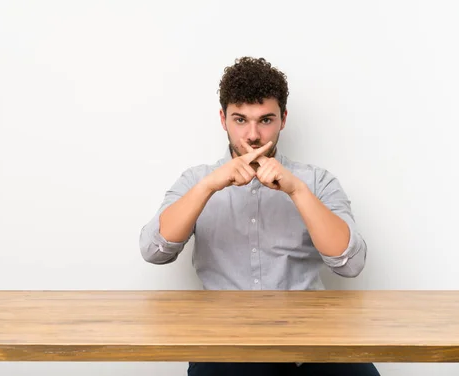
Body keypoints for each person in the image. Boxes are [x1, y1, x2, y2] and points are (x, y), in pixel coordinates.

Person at [138, 57, 380, 376]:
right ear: (223, 119)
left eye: (265, 120)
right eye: (241, 120)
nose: (253, 135)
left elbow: (350, 264)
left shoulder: (317, 181)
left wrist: (297, 192)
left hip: (314, 341)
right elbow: (154, 251)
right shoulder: (196, 180)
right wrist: (209, 186)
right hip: (227, 345)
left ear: (283, 119)